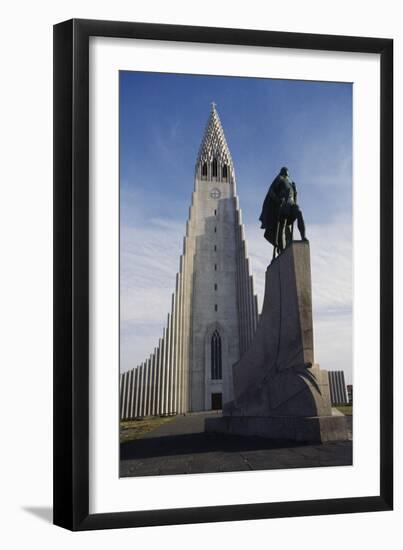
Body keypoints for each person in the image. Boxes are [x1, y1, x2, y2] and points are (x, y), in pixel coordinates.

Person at [259, 167, 307, 257]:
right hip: (283, 206)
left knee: (299, 213)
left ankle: (303, 236)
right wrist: (277, 200)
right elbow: (271, 191)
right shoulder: (279, 179)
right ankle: (282, 248)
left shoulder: (291, 184)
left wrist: (296, 192)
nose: (287, 173)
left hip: (292, 204)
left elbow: (295, 199)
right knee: (282, 227)